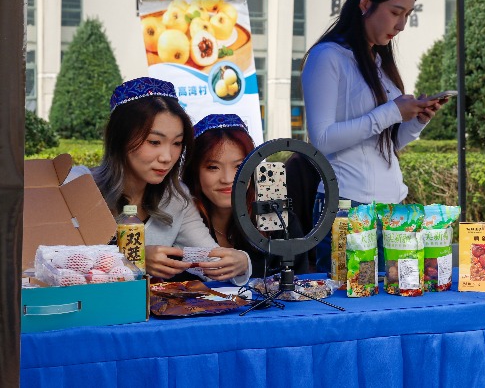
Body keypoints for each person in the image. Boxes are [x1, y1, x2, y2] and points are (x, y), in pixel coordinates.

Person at [301, 0, 450, 273]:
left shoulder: (380, 62)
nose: (402, 25)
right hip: (347, 208)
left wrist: (417, 120)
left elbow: (388, 143)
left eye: (408, 15)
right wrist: (393, 111)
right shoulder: (328, 57)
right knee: (351, 307)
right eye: (396, 12)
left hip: (393, 209)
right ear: (366, 4)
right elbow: (322, 139)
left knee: (393, 303)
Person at [66, 77, 251, 285]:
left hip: (145, 315)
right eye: (154, 142)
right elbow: (47, 260)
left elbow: (209, 258)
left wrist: (241, 262)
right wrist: (133, 258)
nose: (167, 156)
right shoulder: (77, 186)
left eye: (177, 143)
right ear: (120, 139)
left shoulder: (176, 198)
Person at [182, 113, 309, 278]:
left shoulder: (276, 218)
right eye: (213, 167)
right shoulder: (180, 220)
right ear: (194, 170)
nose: (227, 179)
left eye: (239, 166)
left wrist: (248, 266)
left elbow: (297, 282)